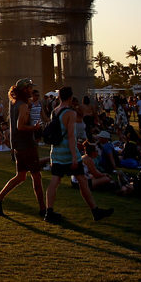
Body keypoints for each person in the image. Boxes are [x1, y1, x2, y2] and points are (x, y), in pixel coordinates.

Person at [43, 86, 113, 223]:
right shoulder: (70, 113)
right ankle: (95, 210)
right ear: (70, 97)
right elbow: (70, 136)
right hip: (68, 153)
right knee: (82, 181)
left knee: (54, 181)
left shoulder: (55, 111)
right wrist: (75, 156)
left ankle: (49, 211)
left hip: (56, 151)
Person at [0, 79, 46, 217]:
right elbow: (20, 126)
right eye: (29, 88)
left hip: (18, 145)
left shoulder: (14, 103)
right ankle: (43, 209)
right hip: (26, 144)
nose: (31, 91)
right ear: (24, 90)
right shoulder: (22, 106)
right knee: (36, 176)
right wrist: (35, 127)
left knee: (21, 176)